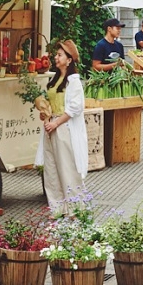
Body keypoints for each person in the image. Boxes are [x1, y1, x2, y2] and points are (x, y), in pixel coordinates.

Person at [38, 39, 89, 208]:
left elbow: (75, 107)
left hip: (62, 127)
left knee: (67, 168)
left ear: (69, 60)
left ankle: (76, 209)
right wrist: (45, 115)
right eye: (56, 54)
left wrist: (56, 123)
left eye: (60, 55)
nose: (55, 57)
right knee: (51, 170)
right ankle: (57, 209)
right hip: (51, 126)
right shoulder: (55, 80)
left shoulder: (73, 81)